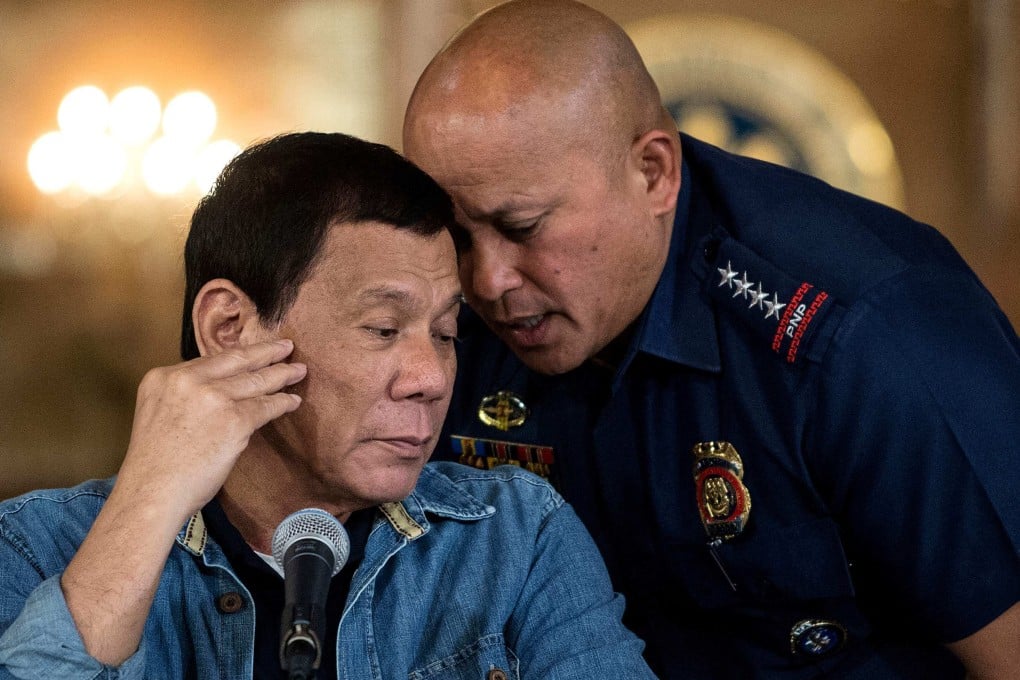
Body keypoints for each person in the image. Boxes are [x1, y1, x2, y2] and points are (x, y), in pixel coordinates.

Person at [402, 1, 1020, 678]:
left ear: (653, 173)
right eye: (456, 236)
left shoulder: (865, 336)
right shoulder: (437, 316)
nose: (487, 281)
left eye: (521, 227)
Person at [0, 132, 657, 679]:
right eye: (382, 329)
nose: (430, 378)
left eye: (446, 334)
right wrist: (147, 504)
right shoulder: (35, 547)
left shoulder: (514, 536)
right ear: (230, 329)